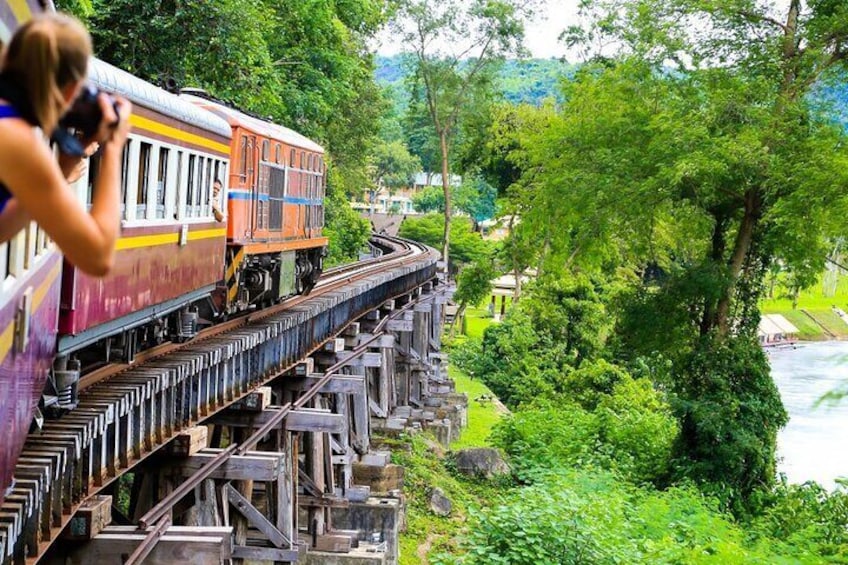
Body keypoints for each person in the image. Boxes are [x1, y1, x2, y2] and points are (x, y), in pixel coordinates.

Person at [0, 13, 132, 276]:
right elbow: (98, 258)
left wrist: (59, 169)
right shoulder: (15, 136)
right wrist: (114, 146)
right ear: (71, 90)